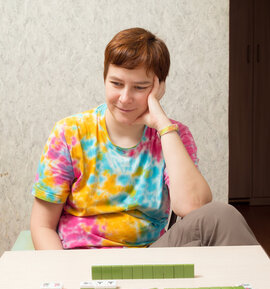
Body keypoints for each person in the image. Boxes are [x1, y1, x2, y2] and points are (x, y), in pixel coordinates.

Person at [30, 27, 258, 250]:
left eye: (140, 87)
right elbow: (42, 225)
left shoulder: (173, 134)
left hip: (150, 256)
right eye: (116, 83)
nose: (125, 98)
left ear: (158, 87)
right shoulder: (69, 132)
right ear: (104, 78)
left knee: (222, 215)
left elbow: (192, 206)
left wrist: (162, 125)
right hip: (81, 259)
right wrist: (66, 276)